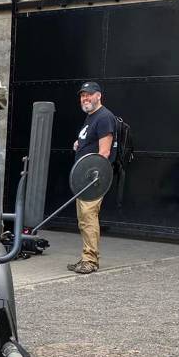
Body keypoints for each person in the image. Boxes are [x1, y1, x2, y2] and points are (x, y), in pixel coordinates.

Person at [68, 81, 117, 275]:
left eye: (89, 94)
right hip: (84, 178)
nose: (85, 98)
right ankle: (86, 257)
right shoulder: (92, 117)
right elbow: (91, 141)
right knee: (83, 218)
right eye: (82, 95)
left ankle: (90, 260)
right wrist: (79, 143)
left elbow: (104, 153)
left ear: (99, 96)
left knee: (88, 216)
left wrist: (91, 177)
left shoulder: (104, 117)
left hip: (93, 179)